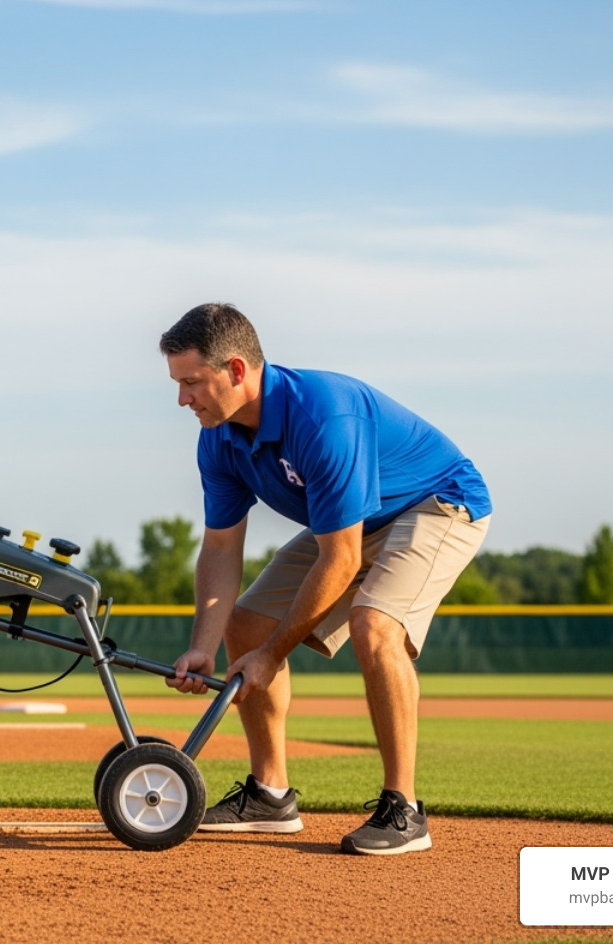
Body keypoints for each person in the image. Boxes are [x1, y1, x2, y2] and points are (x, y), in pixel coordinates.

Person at [161, 303, 490, 855]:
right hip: (351, 524)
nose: (182, 399)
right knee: (248, 621)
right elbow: (221, 546)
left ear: (236, 370)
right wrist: (204, 645)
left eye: (192, 382)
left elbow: (339, 560)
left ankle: (404, 809)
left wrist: (270, 656)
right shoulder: (218, 437)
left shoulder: (324, 417)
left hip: (436, 505)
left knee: (375, 624)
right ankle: (269, 796)